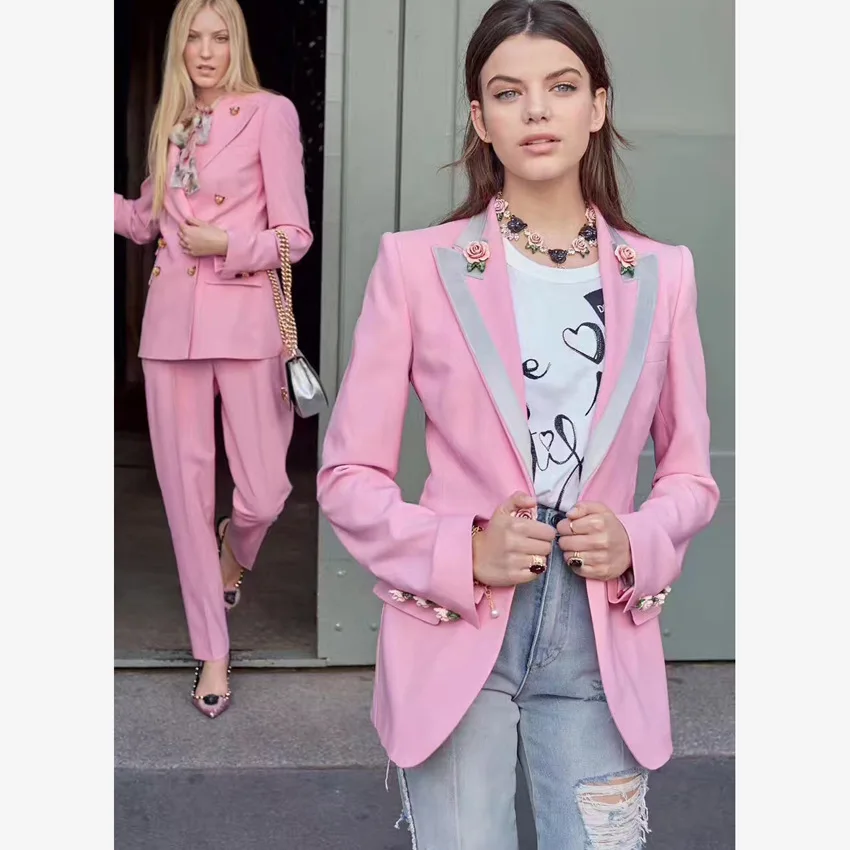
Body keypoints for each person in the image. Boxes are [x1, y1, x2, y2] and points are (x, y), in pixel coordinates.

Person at [316, 0, 719, 845]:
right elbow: (348, 478)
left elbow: (689, 475)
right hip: (457, 621)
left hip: (599, 633)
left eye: (561, 87)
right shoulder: (416, 267)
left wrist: (638, 538)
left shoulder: (663, 276)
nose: (536, 110)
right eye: (508, 92)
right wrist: (461, 551)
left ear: (597, 106)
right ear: (480, 119)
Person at [114, 0, 312, 718]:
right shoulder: (172, 123)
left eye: (219, 36)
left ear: (237, 42)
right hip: (171, 332)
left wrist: (227, 244)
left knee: (264, 492)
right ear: (179, 46)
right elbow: (144, 220)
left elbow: (294, 236)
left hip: (246, 322)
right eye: (193, 37)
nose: (205, 50)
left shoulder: (270, 113)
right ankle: (213, 650)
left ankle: (237, 548)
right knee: (185, 499)